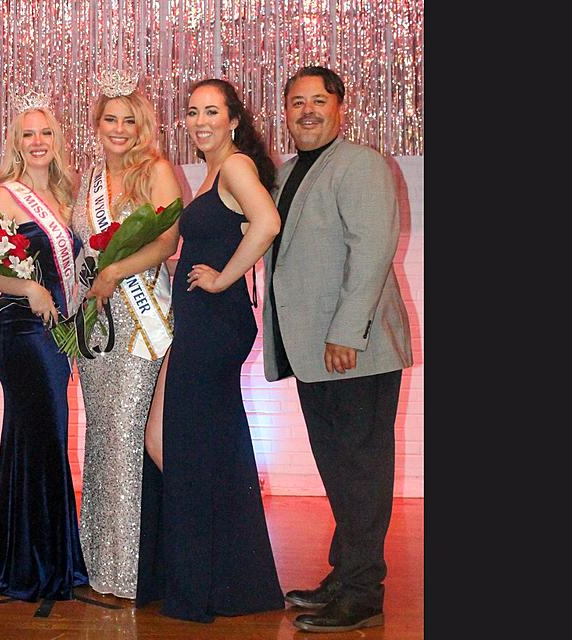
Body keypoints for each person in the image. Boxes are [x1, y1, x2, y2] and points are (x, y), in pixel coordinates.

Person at [264, 65, 413, 633]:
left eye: (317, 101)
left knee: (361, 470)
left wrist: (347, 332)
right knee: (340, 469)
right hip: (313, 353)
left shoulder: (362, 164)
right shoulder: (287, 173)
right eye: (295, 101)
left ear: (340, 108)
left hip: (353, 349)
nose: (306, 110)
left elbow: (372, 250)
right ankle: (344, 573)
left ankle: (363, 592)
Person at [135, 78, 284, 623]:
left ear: (234, 120)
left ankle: (208, 578)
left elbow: (267, 223)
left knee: (179, 443)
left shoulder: (236, 166)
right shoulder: (213, 174)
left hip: (214, 323)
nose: (200, 121)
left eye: (211, 112)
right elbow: (232, 231)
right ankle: (226, 571)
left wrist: (223, 279)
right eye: (193, 112)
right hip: (201, 324)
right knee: (175, 440)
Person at [0, 95, 88, 602]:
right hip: (20, 330)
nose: (37, 142)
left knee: (32, 439)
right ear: (16, 144)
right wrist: (29, 289)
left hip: (55, 333)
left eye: (45, 134)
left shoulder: (68, 197)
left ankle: (23, 561)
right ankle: (44, 565)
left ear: (56, 142)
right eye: (26, 134)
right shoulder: (2, 197)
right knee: (45, 439)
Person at [70, 73, 181, 600]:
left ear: (142, 126)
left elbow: (165, 243)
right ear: (97, 125)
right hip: (96, 321)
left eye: (128, 120)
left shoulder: (156, 171)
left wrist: (115, 272)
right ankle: (98, 563)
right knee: (100, 436)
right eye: (110, 119)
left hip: (139, 319)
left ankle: (127, 574)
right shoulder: (90, 177)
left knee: (124, 437)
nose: (118, 128)